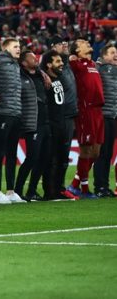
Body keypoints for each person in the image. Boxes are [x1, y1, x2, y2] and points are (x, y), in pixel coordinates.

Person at [67, 39, 105, 198]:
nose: (87, 42)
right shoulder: (76, 65)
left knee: (96, 152)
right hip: (86, 110)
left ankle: (78, 186)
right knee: (86, 149)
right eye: (82, 42)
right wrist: (70, 58)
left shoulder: (92, 65)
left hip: (98, 111)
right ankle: (80, 188)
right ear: (77, 51)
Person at [0, 38, 24, 204]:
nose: (19, 49)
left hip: (16, 112)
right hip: (2, 112)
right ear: (5, 48)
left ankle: (11, 190)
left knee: (12, 153)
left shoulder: (16, 64)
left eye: (19, 46)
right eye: (15, 46)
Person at [48, 36, 79, 199]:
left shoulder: (66, 64)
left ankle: (58, 188)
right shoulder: (50, 67)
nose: (65, 45)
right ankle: (53, 189)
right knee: (57, 155)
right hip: (60, 115)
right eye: (61, 43)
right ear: (53, 47)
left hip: (70, 115)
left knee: (63, 155)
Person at [14, 50, 46, 202]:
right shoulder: (20, 77)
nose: (36, 59)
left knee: (42, 158)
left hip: (46, 121)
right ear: (24, 63)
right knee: (32, 158)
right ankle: (18, 191)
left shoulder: (41, 74)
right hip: (32, 122)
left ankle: (32, 190)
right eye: (32, 58)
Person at [41, 50, 70, 200]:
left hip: (61, 124)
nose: (61, 64)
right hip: (51, 124)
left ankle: (58, 190)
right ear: (48, 64)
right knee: (50, 160)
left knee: (62, 160)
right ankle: (49, 192)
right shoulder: (44, 81)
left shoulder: (58, 79)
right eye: (57, 61)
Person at [95, 44, 116, 197]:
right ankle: (100, 186)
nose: (116, 55)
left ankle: (105, 186)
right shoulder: (99, 68)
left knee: (108, 153)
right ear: (104, 56)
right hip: (104, 116)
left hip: (114, 116)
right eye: (112, 53)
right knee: (103, 153)